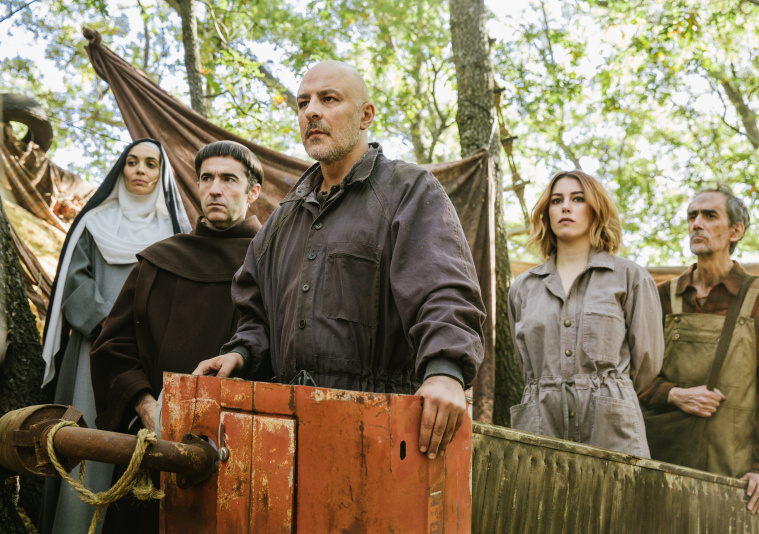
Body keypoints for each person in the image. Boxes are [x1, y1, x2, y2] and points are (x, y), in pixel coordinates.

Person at [193, 61, 485, 459]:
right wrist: (241, 353)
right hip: (287, 434)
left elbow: (445, 291)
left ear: (366, 116)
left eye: (328, 99)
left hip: (385, 432)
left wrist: (446, 371)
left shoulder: (409, 190)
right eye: (303, 103)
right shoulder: (282, 219)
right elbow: (256, 316)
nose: (311, 111)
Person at [89, 140, 262, 533]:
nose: (214, 189)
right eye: (207, 178)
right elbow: (113, 347)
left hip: (240, 452)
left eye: (228, 179)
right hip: (155, 447)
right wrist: (145, 405)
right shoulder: (158, 261)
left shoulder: (273, 265)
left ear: (253, 191)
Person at [39, 139, 191, 534]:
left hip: (148, 355)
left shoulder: (175, 233)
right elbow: (76, 283)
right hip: (93, 348)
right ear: (121, 169)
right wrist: (110, 328)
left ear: (162, 175)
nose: (140, 170)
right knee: (86, 436)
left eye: (151, 164)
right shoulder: (93, 223)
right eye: (132, 162)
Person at [639, 187, 759, 514]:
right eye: (692, 216)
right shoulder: (662, 296)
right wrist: (673, 394)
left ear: (736, 230)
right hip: (663, 465)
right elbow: (634, 378)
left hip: (736, 477)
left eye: (710, 216)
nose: (697, 223)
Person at [508, 170, 663, 457]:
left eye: (577, 199)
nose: (565, 207)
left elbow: (647, 364)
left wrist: (607, 391)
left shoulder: (630, 277)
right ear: (547, 213)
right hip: (541, 424)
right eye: (556, 200)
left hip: (612, 427)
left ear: (596, 209)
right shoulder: (523, 287)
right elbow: (525, 363)